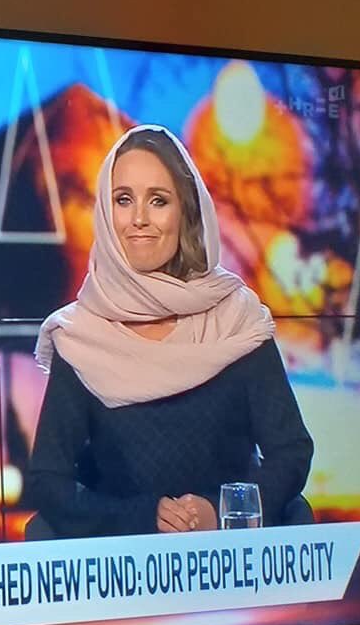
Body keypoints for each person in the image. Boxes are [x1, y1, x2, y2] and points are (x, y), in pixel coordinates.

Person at [26, 124, 313, 538]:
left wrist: (219, 512)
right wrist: (144, 517)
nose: (139, 220)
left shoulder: (235, 317)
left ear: (186, 213)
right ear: (105, 214)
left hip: (232, 554)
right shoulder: (80, 335)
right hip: (123, 560)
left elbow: (290, 452)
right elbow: (48, 480)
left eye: (158, 200)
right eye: (123, 200)